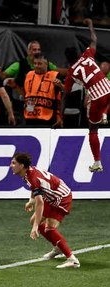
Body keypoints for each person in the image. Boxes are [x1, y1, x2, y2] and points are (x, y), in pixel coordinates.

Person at [10, 153, 80, 269]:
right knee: (33, 220)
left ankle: (72, 259)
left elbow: (40, 203)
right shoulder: (28, 173)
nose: (11, 165)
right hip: (51, 196)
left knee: (49, 227)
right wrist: (31, 201)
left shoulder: (32, 178)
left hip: (61, 198)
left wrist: (35, 227)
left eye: (14, 163)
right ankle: (58, 248)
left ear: (22, 165)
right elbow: (35, 189)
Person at [62, 18, 108, 173]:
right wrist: (90, 25)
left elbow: (67, 92)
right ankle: (104, 115)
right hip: (108, 88)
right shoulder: (87, 55)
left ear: (67, 60)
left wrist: (58, 85)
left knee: (93, 130)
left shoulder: (71, 72)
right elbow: (94, 39)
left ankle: (97, 162)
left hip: (98, 97)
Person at [23, 54, 63, 127]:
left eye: (39, 64)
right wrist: (15, 86)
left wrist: (61, 85)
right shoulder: (29, 75)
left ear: (46, 64)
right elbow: (25, 94)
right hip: (29, 116)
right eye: (35, 63)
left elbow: (64, 94)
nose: (37, 66)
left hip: (48, 118)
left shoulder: (54, 76)